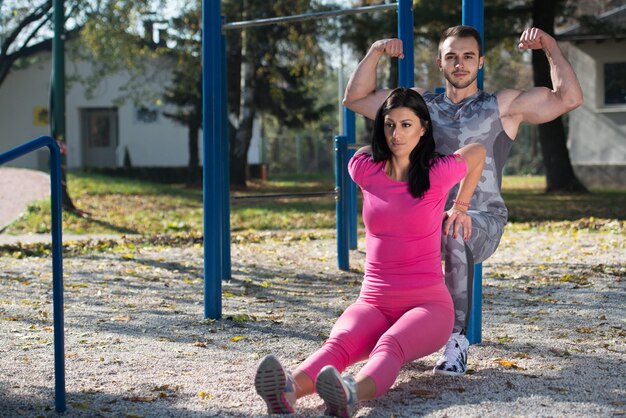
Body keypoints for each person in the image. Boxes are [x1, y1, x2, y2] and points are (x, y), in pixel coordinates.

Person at [342, 26, 583, 376]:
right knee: (390, 233)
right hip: (424, 221)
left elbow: (569, 98)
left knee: (454, 230)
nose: (460, 64)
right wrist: (377, 50)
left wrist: (549, 46)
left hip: (480, 220)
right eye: (452, 56)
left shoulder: (502, 106)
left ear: (480, 62)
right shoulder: (420, 106)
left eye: (468, 56)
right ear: (440, 62)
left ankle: (456, 339)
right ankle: (387, 334)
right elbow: (356, 99)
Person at [254, 88, 486, 418]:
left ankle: (349, 393)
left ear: (423, 128)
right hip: (373, 300)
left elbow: (477, 152)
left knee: (389, 345)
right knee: (338, 344)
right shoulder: (365, 168)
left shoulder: (437, 172)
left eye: (407, 125)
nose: (396, 133)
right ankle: (287, 392)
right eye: (389, 124)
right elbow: (364, 148)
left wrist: (460, 205)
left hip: (428, 306)